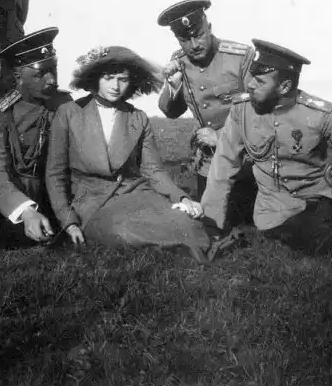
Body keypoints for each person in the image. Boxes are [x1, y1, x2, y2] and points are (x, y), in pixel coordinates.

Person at [200, 39, 332, 255]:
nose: (251, 85)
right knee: (308, 238)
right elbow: (223, 165)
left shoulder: (317, 114)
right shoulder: (241, 111)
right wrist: (211, 224)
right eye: (252, 77)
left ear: (284, 87)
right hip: (276, 214)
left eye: (260, 81)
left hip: (322, 199)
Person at [46, 45, 210, 262]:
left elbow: (153, 170)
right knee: (125, 233)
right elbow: (55, 174)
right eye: (108, 78)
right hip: (93, 202)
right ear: (95, 78)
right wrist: (69, 222)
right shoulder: (68, 113)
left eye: (122, 79)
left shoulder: (137, 117)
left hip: (135, 193)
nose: (115, 86)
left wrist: (182, 197)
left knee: (185, 224)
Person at [157, 0, 257, 222]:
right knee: (210, 222)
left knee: (247, 223)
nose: (194, 45)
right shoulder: (179, 61)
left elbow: (258, 114)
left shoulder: (240, 56)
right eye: (185, 39)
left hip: (245, 160)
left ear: (209, 28)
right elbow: (171, 111)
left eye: (199, 35)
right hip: (209, 163)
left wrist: (220, 137)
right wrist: (173, 86)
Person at [0, 28, 72, 244]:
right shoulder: (1, 113)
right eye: (40, 74)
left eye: (53, 70)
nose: (52, 80)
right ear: (18, 77)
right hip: (16, 196)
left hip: (56, 193)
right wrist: (26, 211)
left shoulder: (63, 103)